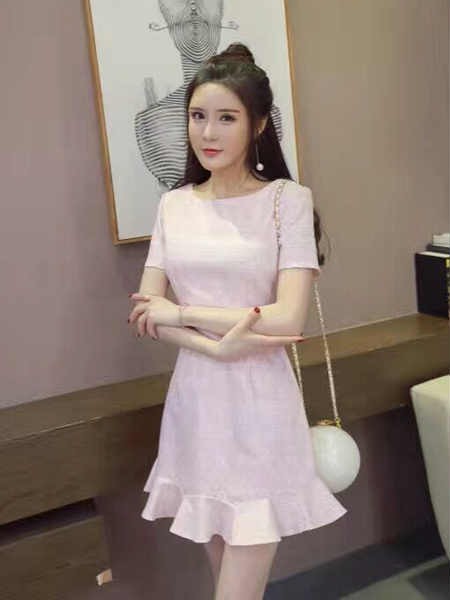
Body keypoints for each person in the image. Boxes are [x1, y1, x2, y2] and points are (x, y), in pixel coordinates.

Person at [128, 42, 347, 600]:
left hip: (260, 407)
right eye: (197, 116)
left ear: (258, 125)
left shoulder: (286, 201)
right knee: (227, 579)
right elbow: (147, 311)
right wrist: (214, 347)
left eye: (226, 118)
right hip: (195, 405)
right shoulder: (175, 205)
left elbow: (287, 316)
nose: (208, 132)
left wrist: (184, 313)